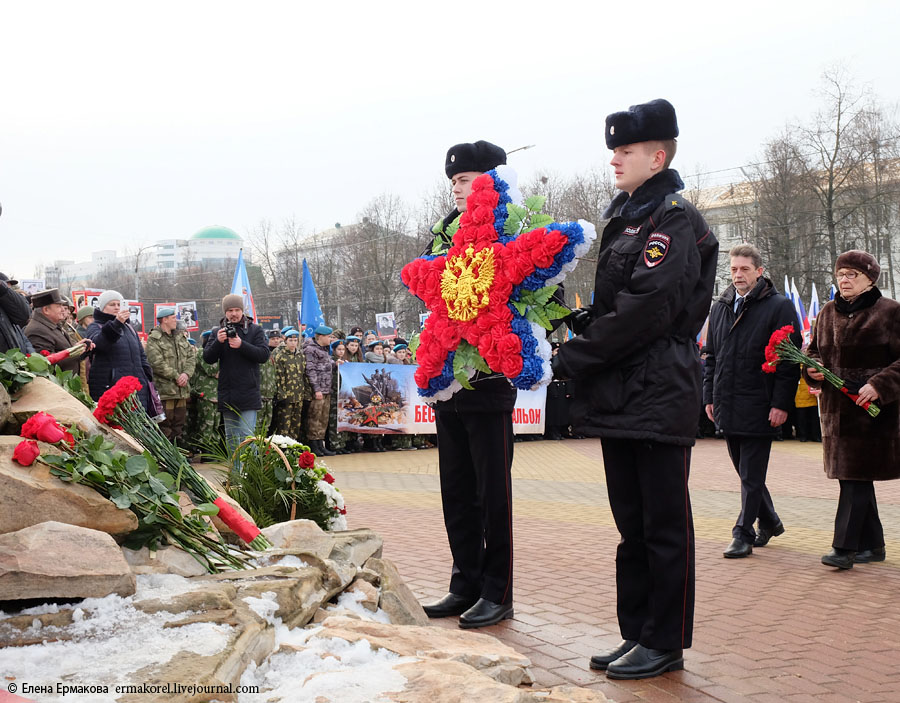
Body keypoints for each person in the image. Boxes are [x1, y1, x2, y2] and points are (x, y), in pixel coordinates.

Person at [552, 100, 718, 678]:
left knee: (663, 524)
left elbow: (647, 311)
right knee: (632, 526)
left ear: (658, 154)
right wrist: (572, 320)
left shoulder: (671, 220)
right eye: (613, 151)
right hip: (624, 391)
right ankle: (638, 633)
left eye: (625, 151)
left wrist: (573, 357)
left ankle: (665, 640)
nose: (615, 159)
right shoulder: (625, 219)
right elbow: (612, 306)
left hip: (658, 386)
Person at [418, 139, 518, 630]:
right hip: (448, 382)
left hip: (490, 378)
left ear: (491, 179)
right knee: (456, 489)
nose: (458, 189)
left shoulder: (514, 226)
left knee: (492, 493)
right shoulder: (444, 233)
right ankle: (465, 582)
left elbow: (546, 291)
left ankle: (498, 591)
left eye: (465, 180)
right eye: (453, 181)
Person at [804, 250, 900, 569]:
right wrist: (813, 368)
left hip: (871, 414)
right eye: (840, 274)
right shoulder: (828, 311)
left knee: (855, 477)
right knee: (854, 477)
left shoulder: (890, 312)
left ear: (870, 279)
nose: (844, 280)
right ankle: (873, 546)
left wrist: (880, 384)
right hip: (835, 412)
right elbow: (814, 350)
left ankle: (844, 548)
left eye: (851, 275)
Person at [703, 244, 800, 558]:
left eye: (744, 269)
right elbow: (712, 357)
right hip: (727, 402)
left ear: (759, 271)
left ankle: (743, 532)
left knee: (751, 474)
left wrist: (781, 404)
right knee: (744, 472)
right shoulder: (720, 306)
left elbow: (787, 362)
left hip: (761, 403)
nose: (738, 275)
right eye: (733, 269)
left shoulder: (779, 307)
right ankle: (769, 520)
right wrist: (709, 397)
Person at [203, 294, 270, 465]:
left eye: (237, 310)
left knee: (246, 437)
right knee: (232, 438)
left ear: (243, 311)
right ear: (225, 312)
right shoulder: (217, 332)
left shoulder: (255, 330)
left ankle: (250, 475)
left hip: (248, 392)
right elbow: (208, 358)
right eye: (230, 310)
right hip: (228, 393)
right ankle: (235, 477)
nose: (234, 314)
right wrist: (218, 341)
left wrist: (242, 345)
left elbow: (263, 355)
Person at [86, 290, 154, 413]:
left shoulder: (129, 328)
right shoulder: (95, 326)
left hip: (137, 389)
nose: (116, 307)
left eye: (119, 304)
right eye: (112, 304)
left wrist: (146, 376)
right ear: (102, 307)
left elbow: (141, 355)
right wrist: (116, 324)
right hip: (112, 389)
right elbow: (99, 345)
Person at [146, 307, 197, 443]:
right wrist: (176, 376)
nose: (176, 320)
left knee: (179, 425)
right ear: (164, 320)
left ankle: (179, 454)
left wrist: (186, 374)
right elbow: (156, 363)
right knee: (165, 426)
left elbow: (191, 357)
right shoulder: (154, 339)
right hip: (165, 391)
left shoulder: (180, 337)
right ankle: (166, 457)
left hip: (181, 391)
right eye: (173, 317)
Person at [23, 288, 87, 375]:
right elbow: (46, 364)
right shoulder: (37, 330)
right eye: (58, 306)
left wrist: (78, 348)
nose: (63, 309)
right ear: (46, 310)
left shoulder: (52, 325)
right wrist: (75, 352)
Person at [186, 329, 221, 457]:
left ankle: (213, 451)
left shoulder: (218, 354)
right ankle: (204, 451)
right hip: (206, 395)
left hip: (217, 395)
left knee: (215, 425)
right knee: (206, 425)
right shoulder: (202, 353)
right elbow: (213, 370)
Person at [303, 325, 335, 456]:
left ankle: (320, 444)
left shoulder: (324, 349)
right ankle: (313, 444)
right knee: (314, 418)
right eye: (329, 337)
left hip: (326, 388)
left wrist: (336, 363)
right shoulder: (310, 350)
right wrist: (316, 389)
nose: (331, 339)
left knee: (323, 418)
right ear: (321, 337)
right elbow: (310, 370)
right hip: (318, 390)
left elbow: (326, 364)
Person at [272, 330, 306, 441]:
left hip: (298, 395)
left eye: (295, 340)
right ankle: (282, 449)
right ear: (285, 341)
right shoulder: (280, 356)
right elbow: (278, 376)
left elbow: (303, 375)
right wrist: (282, 394)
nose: (293, 343)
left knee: (296, 425)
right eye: (290, 340)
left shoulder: (300, 355)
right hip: (286, 396)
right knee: (283, 425)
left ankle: (293, 448)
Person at [0, 271, 33, 354]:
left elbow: (24, 316)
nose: (9, 290)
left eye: (10, 288)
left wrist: (30, 356)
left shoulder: (8, 311)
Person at [258, 329, 281, 436]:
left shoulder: (271, 357)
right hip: (259, 395)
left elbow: (273, 376)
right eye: (272, 339)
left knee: (267, 424)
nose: (276, 341)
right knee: (257, 425)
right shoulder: (256, 356)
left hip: (270, 395)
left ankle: (264, 447)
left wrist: (275, 392)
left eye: (278, 338)